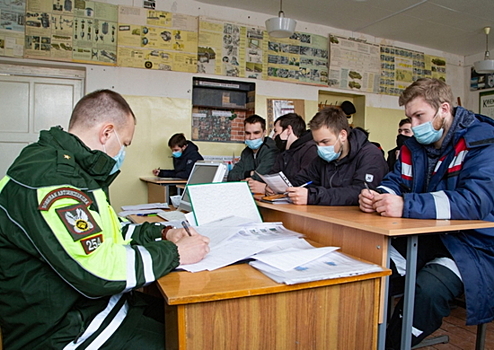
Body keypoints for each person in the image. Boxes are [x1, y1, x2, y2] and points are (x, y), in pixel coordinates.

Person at [0, 90, 210, 350]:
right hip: (63, 331)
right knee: (191, 339)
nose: (123, 152)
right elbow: (97, 270)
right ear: (107, 133)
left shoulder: (76, 171)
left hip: (91, 310)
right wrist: (175, 253)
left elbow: (110, 231)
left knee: (195, 326)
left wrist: (163, 233)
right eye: (125, 143)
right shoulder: (52, 180)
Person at [358, 78, 494, 349]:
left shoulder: (483, 142)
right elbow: (397, 180)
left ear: (444, 109)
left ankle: (392, 344)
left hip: (472, 246)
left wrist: (404, 205)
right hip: (425, 238)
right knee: (373, 268)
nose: (414, 125)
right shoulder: (414, 146)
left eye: (420, 115)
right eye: (410, 117)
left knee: (428, 290)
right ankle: (372, 339)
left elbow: (474, 202)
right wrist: (380, 195)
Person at [287, 107, 388, 205]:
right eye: (317, 143)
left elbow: (361, 192)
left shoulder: (371, 155)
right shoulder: (322, 159)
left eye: (325, 141)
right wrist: (281, 187)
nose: (320, 147)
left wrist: (313, 196)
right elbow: (302, 180)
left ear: (342, 135)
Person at [247, 113, 318, 194]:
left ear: (288, 130)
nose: (274, 137)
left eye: (276, 131)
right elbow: (272, 175)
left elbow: (304, 183)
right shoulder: (284, 152)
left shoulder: (310, 150)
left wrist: (265, 188)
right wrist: (268, 187)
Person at [227, 114, 278, 182]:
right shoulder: (246, 152)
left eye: (256, 133)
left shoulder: (271, 150)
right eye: (248, 133)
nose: (251, 137)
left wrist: (246, 176)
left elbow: (259, 177)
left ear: (264, 132)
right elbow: (231, 176)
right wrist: (250, 173)